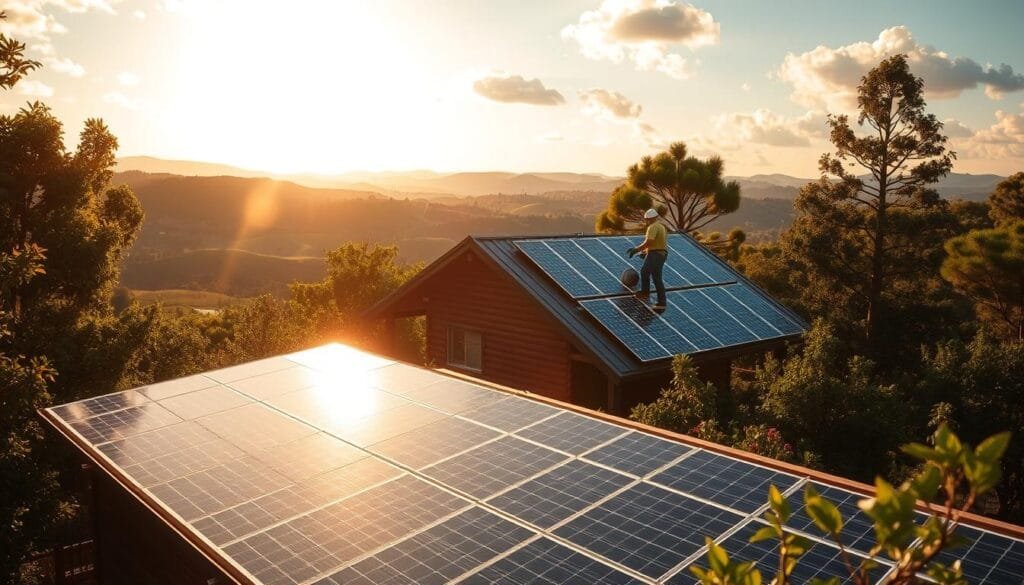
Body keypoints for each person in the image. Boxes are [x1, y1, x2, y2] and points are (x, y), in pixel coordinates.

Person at [627, 208, 668, 312]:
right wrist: (645, 252)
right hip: (661, 253)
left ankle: (646, 293)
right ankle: (660, 302)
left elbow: (649, 241)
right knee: (655, 277)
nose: (647, 221)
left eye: (647, 219)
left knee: (646, 272)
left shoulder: (652, 227)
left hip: (655, 254)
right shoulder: (661, 227)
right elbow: (657, 243)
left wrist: (636, 249)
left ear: (651, 218)